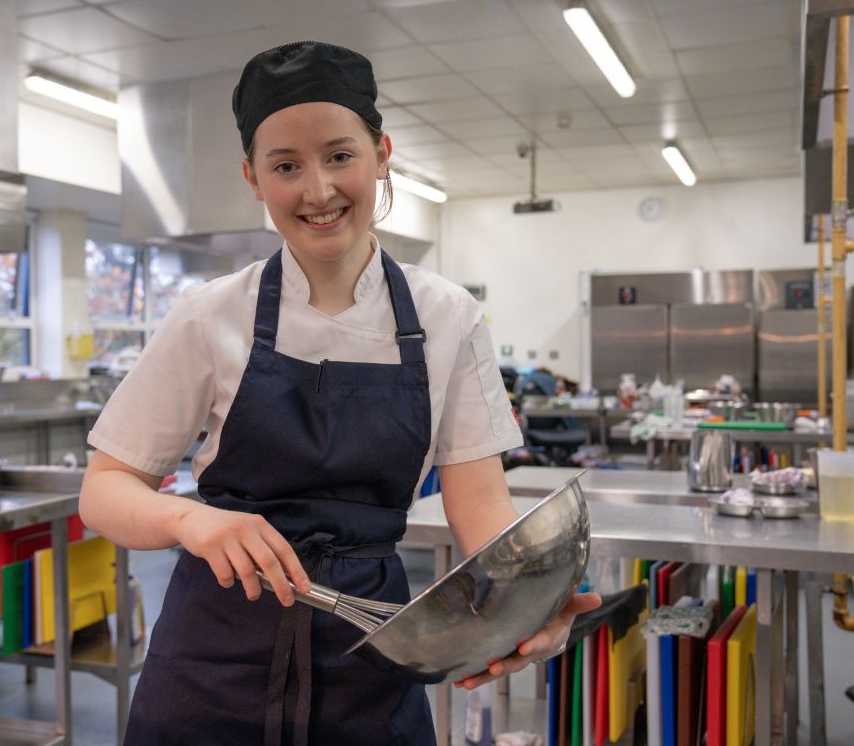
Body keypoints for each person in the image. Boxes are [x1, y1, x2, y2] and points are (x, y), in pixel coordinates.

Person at [79, 41, 600, 746]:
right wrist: (189, 522)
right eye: (285, 166)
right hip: (214, 651)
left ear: (381, 153)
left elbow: (477, 503)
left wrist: (523, 611)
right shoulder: (209, 315)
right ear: (253, 178)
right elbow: (105, 490)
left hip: (372, 648)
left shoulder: (447, 316)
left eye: (339, 155)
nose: (317, 190)